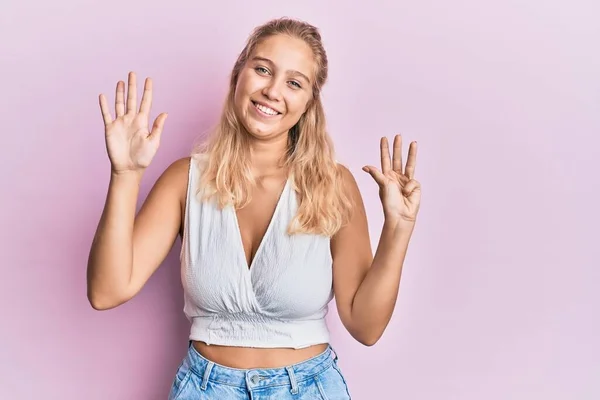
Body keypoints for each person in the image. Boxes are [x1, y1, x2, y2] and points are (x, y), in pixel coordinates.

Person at [87, 17, 421, 400]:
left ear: (309, 103)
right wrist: (125, 174)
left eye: (294, 83)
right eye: (262, 69)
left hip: (309, 388)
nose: (272, 91)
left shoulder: (333, 185)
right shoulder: (185, 180)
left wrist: (399, 227)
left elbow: (366, 327)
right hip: (205, 388)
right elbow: (106, 291)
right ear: (239, 74)